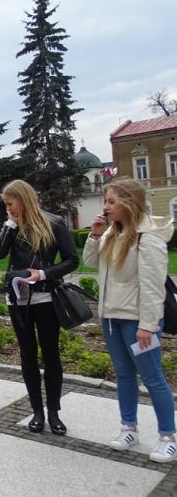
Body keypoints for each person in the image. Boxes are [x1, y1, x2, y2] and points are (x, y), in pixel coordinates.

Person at [83, 177, 176, 463]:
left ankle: (168, 437)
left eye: (111, 201)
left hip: (138, 322)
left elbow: (153, 287)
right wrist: (95, 235)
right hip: (111, 317)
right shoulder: (112, 233)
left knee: (153, 378)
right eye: (105, 201)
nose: (106, 207)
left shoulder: (148, 239)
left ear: (129, 203)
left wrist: (148, 325)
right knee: (124, 375)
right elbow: (89, 263)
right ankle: (129, 428)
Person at [0, 179, 78, 435]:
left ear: (22, 198)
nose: (8, 208)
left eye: (10, 204)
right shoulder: (12, 226)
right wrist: (9, 224)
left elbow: (72, 260)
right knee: (27, 355)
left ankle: (53, 412)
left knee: (51, 354)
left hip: (46, 298)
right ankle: (37, 412)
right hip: (18, 299)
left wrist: (42, 274)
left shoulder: (54, 223)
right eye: (5, 205)